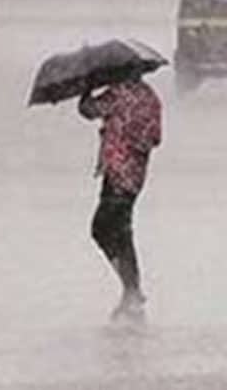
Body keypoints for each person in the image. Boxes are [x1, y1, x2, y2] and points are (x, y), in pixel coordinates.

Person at [78, 71, 162, 321]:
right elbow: (155, 137)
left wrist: (87, 87)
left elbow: (88, 110)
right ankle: (131, 289)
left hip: (116, 172)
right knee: (122, 230)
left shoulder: (118, 94)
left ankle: (131, 288)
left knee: (101, 229)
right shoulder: (150, 97)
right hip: (135, 175)